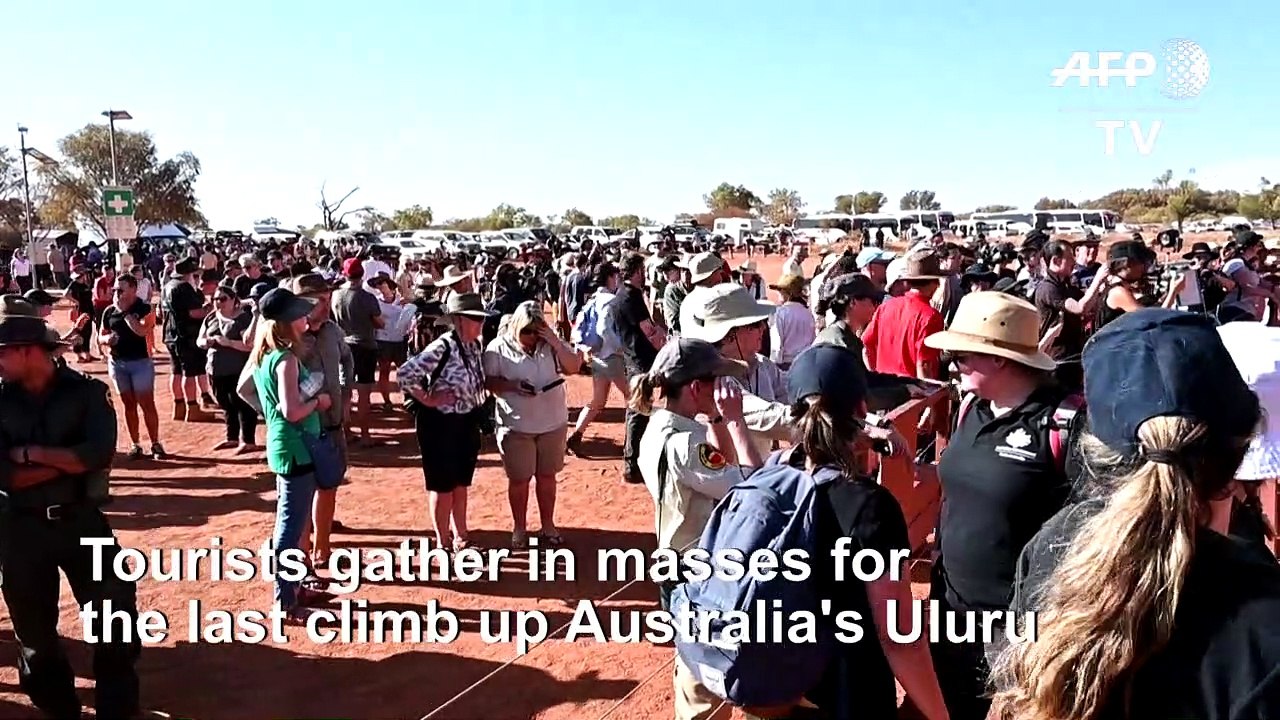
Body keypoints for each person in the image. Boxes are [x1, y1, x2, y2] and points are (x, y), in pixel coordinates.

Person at [990, 309, 1280, 720]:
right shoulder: (1265, 619)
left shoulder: (1051, 546)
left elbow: (1011, 691)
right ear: (1239, 451)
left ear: (1095, 451)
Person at [741, 344, 948, 720]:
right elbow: (899, 638)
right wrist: (938, 714)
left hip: (778, 686)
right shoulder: (870, 506)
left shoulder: (772, 477)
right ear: (862, 409)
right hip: (849, 692)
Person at [921, 291, 1074, 719]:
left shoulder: (1061, 423)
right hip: (954, 607)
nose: (952, 364)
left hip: (1023, 622)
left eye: (962, 355)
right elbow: (962, 486)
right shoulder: (970, 407)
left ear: (999, 359)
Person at [0, 296, 141, 718]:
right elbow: (3, 476)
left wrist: (27, 455)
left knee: (114, 619)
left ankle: (117, 705)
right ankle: (60, 707)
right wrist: (64, 462)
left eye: (1, 352)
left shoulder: (86, 392)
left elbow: (98, 454)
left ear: (28, 350)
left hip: (82, 522)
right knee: (36, 636)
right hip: (19, 530)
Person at [249, 287, 333, 623]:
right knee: (289, 528)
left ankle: (293, 586)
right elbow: (292, 410)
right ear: (285, 322)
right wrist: (320, 403)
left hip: (287, 446)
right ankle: (285, 601)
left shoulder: (267, 356)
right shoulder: (284, 359)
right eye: (299, 313)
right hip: (295, 447)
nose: (306, 317)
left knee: (291, 523)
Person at [483, 301, 582, 549]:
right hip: (516, 426)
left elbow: (574, 366)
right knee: (519, 480)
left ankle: (548, 525)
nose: (531, 337)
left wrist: (556, 342)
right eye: (526, 331)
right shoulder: (497, 348)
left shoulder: (549, 346)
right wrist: (514, 386)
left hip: (552, 422)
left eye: (536, 331)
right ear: (515, 327)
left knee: (547, 477)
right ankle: (520, 528)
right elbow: (488, 382)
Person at [398, 293, 492, 552]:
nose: (480, 324)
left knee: (461, 482)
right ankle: (443, 543)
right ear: (460, 320)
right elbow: (405, 373)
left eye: (481, 319)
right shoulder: (444, 346)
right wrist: (427, 399)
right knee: (442, 486)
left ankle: (462, 537)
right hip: (439, 424)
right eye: (475, 319)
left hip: (465, 420)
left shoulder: (474, 346)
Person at [294, 273, 354, 566]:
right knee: (303, 492)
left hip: (332, 422)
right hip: (303, 428)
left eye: (328, 299)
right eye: (320, 300)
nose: (326, 305)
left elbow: (346, 358)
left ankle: (322, 548)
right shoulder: (290, 338)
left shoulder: (333, 331)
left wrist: (347, 392)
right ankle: (302, 554)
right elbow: (254, 384)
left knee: (330, 485)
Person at [99, 273, 165, 460]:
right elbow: (100, 336)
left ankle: (155, 443)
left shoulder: (145, 308)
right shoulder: (109, 311)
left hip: (140, 362)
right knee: (128, 404)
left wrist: (126, 314)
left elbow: (143, 331)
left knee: (146, 403)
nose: (117, 293)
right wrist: (107, 339)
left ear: (134, 289)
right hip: (117, 363)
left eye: (121, 290)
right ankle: (135, 444)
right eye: (115, 290)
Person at [615, 253, 667, 485]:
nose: (645, 274)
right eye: (642, 270)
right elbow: (649, 330)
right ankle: (632, 463)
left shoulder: (624, 295)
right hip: (640, 361)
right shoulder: (629, 297)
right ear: (636, 271)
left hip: (633, 358)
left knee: (639, 410)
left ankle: (633, 460)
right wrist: (665, 344)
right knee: (639, 410)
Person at [567, 262, 628, 455]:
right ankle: (634, 442)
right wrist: (619, 347)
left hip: (597, 357)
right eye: (615, 275)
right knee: (634, 398)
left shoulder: (594, 299)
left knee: (598, 401)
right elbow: (603, 329)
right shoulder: (610, 300)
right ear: (610, 277)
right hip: (611, 357)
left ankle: (576, 435)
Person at [198, 284, 258, 453]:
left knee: (242, 404)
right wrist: (206, 343)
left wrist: (230, 343)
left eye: (223, 299)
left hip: (238, 369)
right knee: (224, 403)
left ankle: (248, 440)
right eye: (215, 299)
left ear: (234, 300)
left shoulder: (243, 319)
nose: (218, 302)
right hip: (215, 369)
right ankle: (231, 437)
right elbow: (199, 339)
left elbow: (251, 345)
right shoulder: (211, 318)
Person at [330, 258, 383, 444]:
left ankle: (346, 432)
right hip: (365, 346)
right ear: (362, 275)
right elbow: (380, 322)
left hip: (344, 344)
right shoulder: (367, 297)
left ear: (345, 274)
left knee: (345, 391)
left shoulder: (336, 295)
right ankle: (365, 435)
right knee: (364, 393)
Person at [161, 258, 215, 421]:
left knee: (176, 371)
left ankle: (179, 406)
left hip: (171, 333)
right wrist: (209, 308)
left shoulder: (168, 286)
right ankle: (192, 407)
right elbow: (194, 313)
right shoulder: (184, 287)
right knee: (189, 372)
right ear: (189, 274)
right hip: (186, 335)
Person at [371, 275, 415, 412]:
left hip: (400, 341)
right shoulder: (376, 303)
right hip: (383, 342)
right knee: (384, 372)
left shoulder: (402, 302)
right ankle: (387, 401)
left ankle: (408, 399)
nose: (380, 287)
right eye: (378, 285)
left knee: (404, 371)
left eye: (382, 284)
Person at [768, 274, 816, 370]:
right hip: (806, 362)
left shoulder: (780, 313)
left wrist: (774, 366)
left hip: (786, 365)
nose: (779, 294)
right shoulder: (808, 313)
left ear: (789, 293)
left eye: (781, 291)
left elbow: (777, 345)